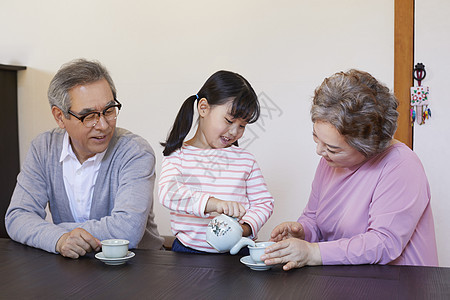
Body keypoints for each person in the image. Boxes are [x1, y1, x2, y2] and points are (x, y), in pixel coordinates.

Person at [262, 69, 438, 270]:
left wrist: (313, 252)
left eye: (332, 148)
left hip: (399, 282)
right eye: (316, 138)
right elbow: (313, 217)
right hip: (346, 279)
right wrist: (302, 232)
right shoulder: (330, 162)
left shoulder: (401, 165)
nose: (320, 151)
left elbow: (383, 244)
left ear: (369, 146)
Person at [5, 59, 164, 258]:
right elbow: (17, 217)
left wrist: (51, 231)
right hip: (75, 269)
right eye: (89, 116)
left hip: (139, 267)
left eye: (109, 110)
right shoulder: (43, 148)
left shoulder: (134, 151)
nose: (103, 125)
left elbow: (127, 229)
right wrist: (59, 240)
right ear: (59, 117)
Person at [159, 70, 274, 253]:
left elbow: (264, 202)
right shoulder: (178, 156)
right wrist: (215, 204)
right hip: (187, 253)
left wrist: (244, 229)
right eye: (229, 120)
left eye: (242, 125)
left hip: (235, 253)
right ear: (203, 108)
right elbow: (168, 194)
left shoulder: (245, 160)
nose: (235, 131)